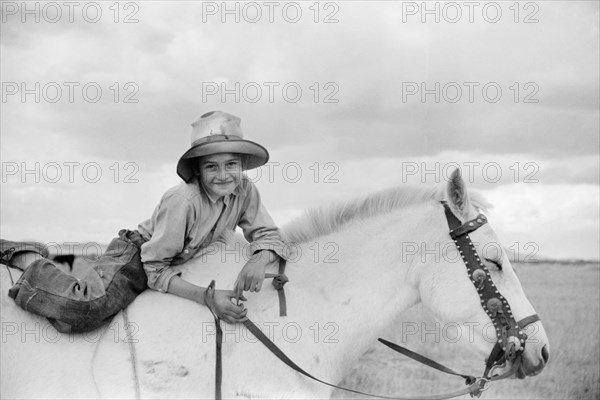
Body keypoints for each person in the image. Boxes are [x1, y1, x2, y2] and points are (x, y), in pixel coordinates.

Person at [1, 111, 287, 332]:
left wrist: (259, 259)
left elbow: (268, 233)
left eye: (231, 165)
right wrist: (208, 297)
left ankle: (72, 263)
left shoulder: (245, 190)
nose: (224, 175)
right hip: (138, 257)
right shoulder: (183, 201)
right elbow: (154, 269)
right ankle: (27, 257)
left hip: (180, 259)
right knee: (86, 309)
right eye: (212, 166)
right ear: (198, 171)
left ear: (241, 165)